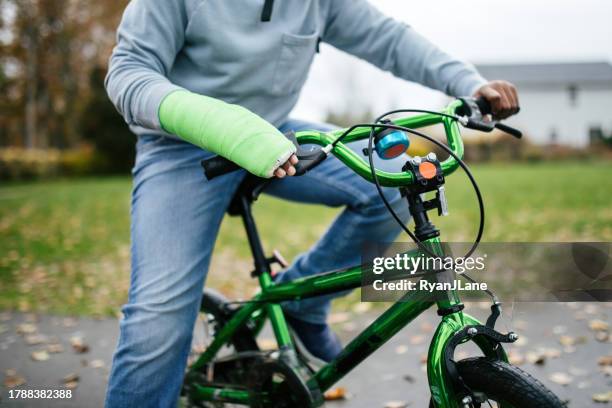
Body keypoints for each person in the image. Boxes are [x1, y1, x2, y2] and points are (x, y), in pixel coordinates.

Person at [104, 1, 519, 406]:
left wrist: (467, 82)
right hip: (180, 151)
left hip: (277, 133)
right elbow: (127, 74)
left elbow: (389, 39)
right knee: (159, 317)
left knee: (391, 181)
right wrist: (222, 125)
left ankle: (302, 300)